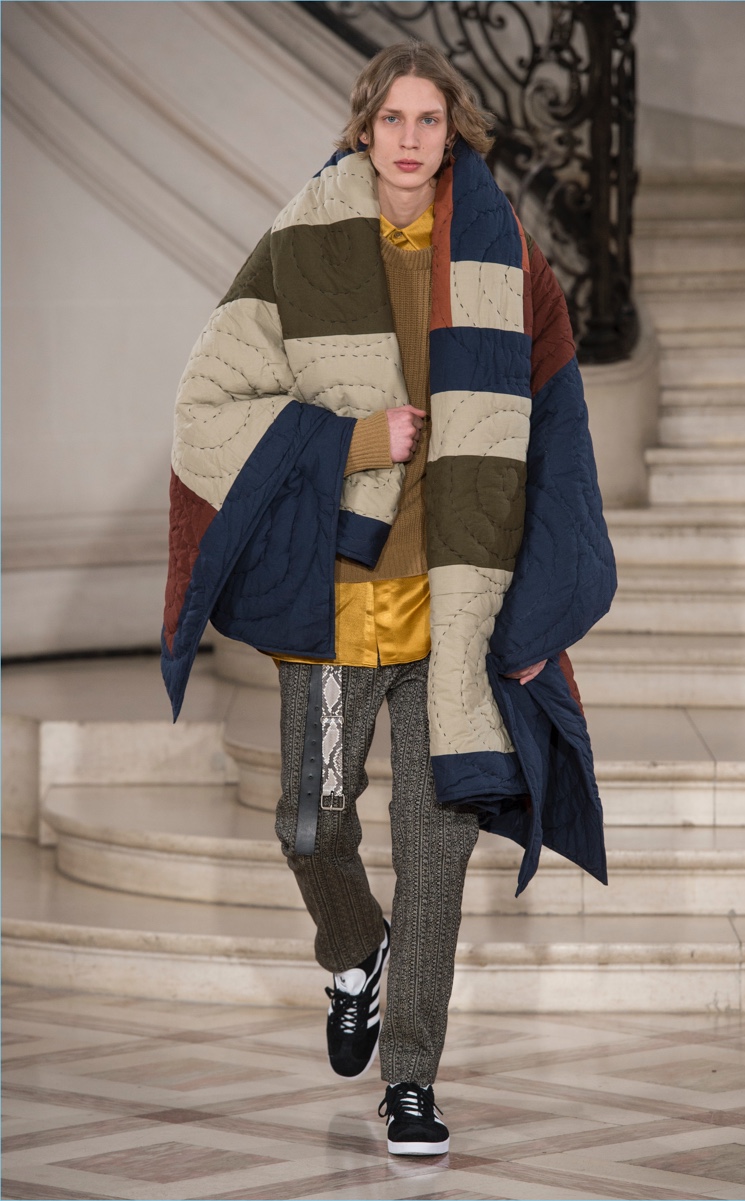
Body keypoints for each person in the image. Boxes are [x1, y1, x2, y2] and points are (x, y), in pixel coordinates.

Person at [162, 41, 616, 1158]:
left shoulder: (508, 257)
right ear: (364, 127)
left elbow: (558, 442)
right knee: (310, 823)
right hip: (339, 608)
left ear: (453, 132)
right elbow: (203, 410)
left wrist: (539, 610)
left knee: (436, 851)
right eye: (393, 118)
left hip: (458, 611)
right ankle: (351, 951)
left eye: (429, 119)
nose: (410, 139)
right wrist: (357, 438)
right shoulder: (300, 243)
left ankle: (410, 1077)